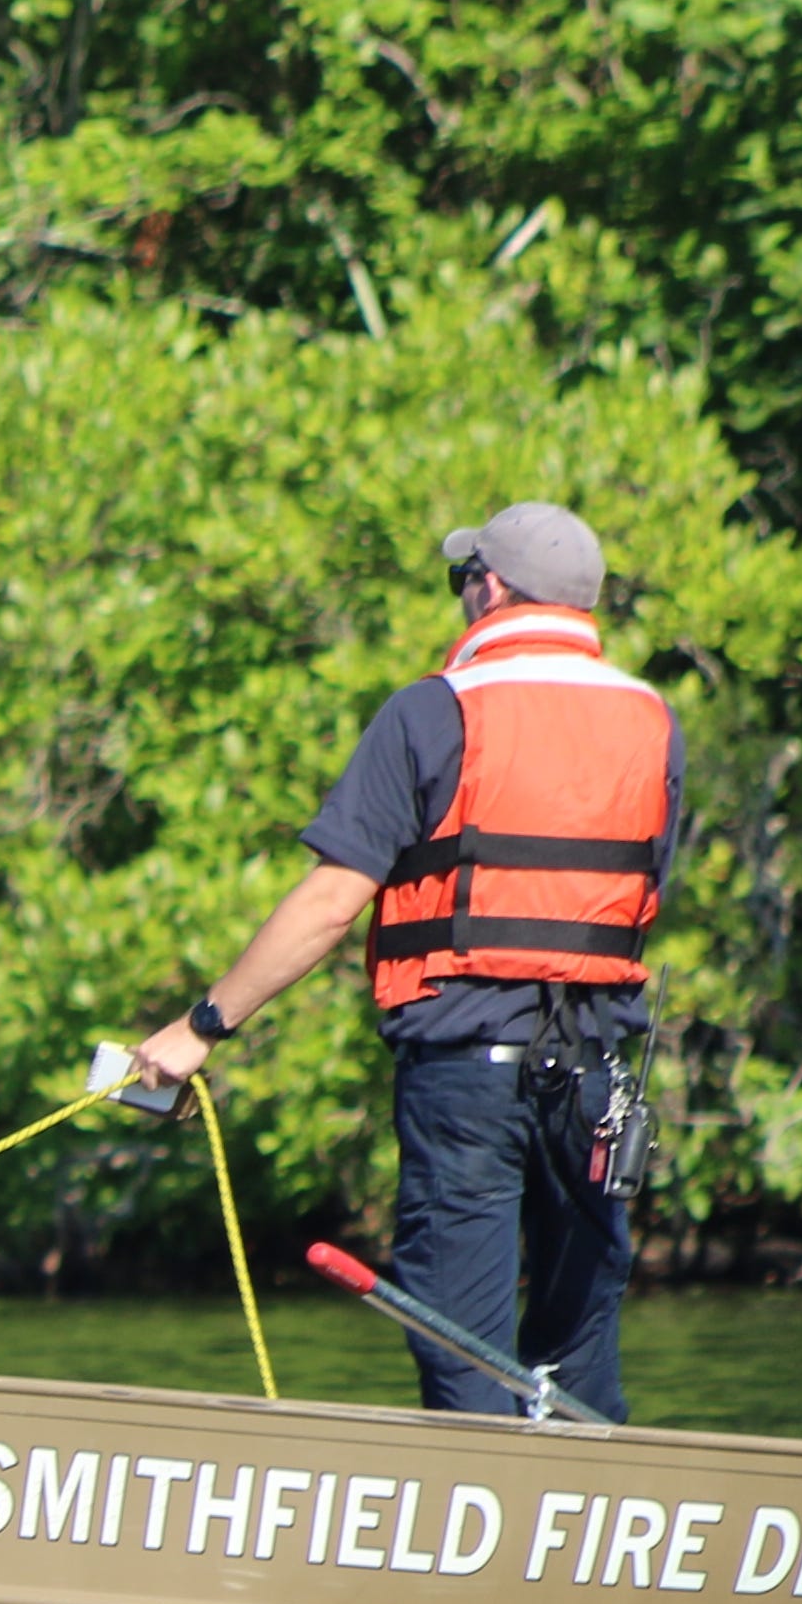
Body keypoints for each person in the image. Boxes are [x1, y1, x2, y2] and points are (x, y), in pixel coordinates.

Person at [131, 502, 682, 1420]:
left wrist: (202, 1027)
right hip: (597, 1076)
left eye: (465, 578)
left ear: (493, 589)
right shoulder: (653, 721)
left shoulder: (434, 710)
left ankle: (479, 1529)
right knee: (578, 1345)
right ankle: (585, 1526)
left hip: (469, 1074)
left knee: (460, 1341)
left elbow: (328, 905)